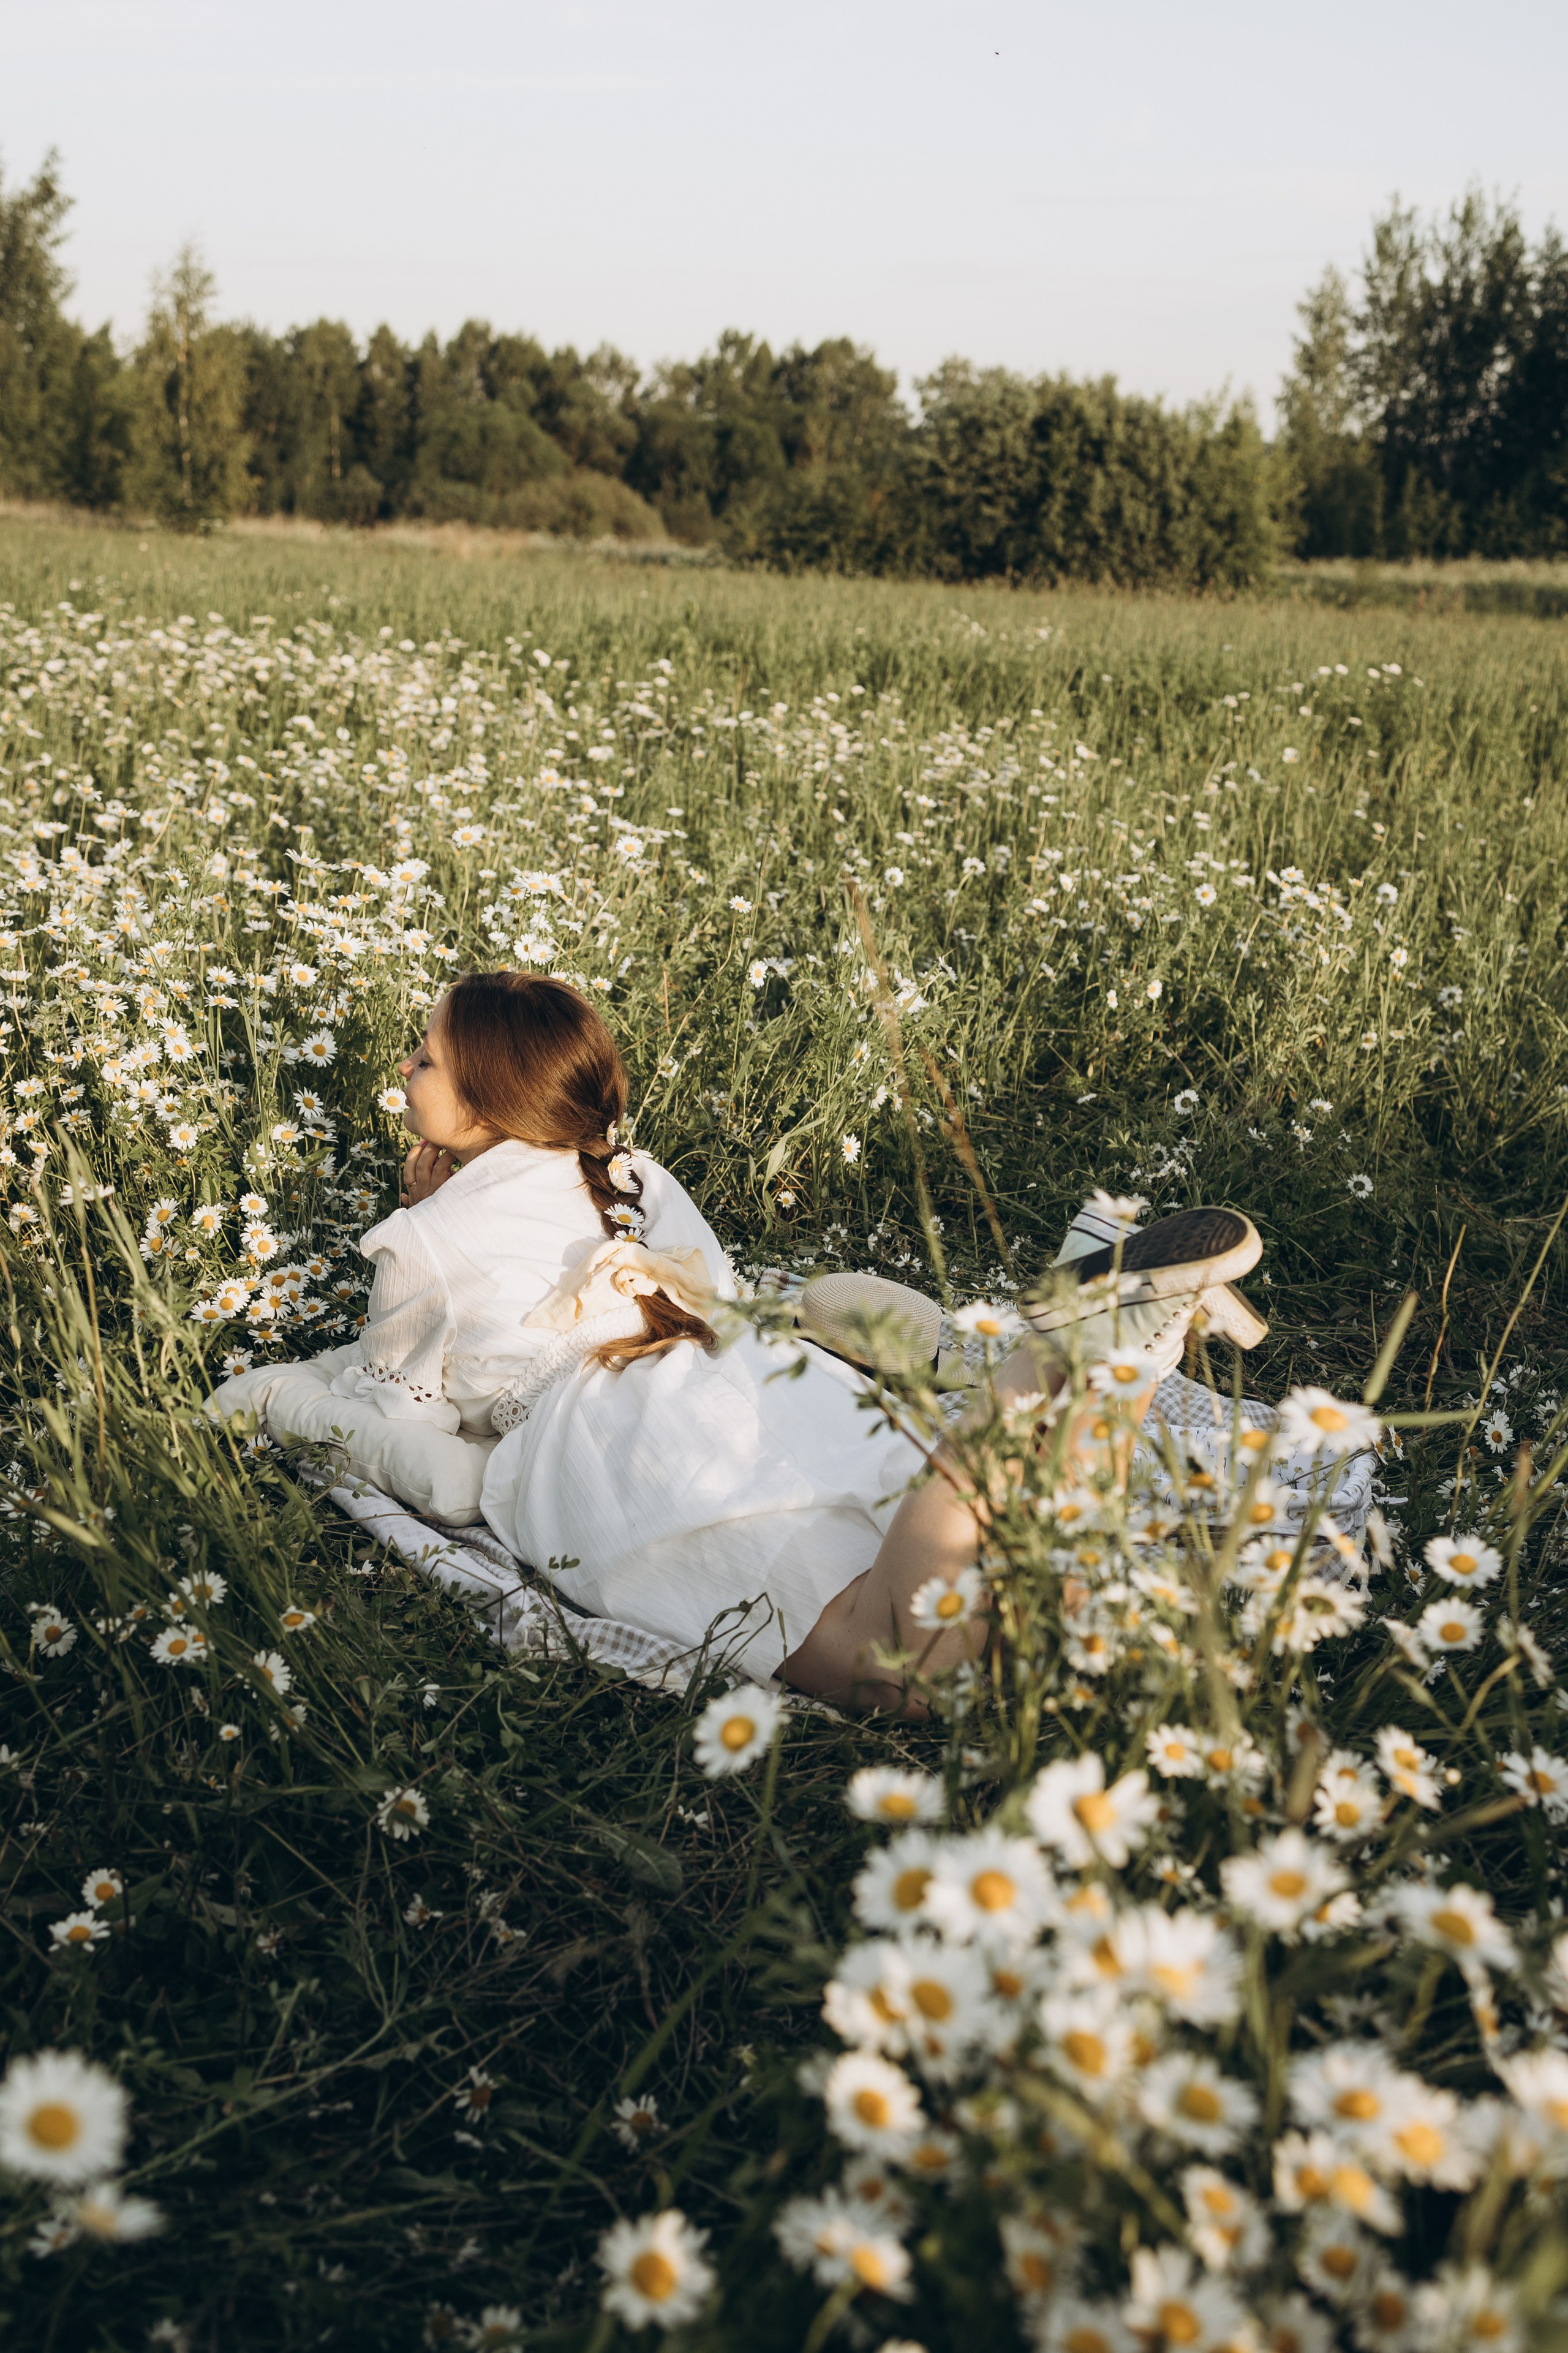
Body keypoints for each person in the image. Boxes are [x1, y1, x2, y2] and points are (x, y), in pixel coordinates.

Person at [237, 973, 1264, 1710]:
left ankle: (1045, 1363)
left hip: (625, 1444)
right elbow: (713, 1290)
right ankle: (1116, 1360)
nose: (404, 1068)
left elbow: (398, 1416)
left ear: (487, 1101)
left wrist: (322, 1355)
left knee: (900, 1663)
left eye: (426, 1057)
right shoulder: (628, 1169)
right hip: (755, 1376)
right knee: (1041, 1594)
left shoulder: (424, 1240)